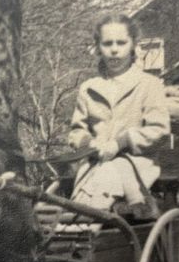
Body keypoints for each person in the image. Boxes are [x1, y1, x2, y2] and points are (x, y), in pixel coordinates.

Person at [67, 14, 170, 215]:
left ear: (133, 45)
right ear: (98, 47)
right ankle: (74, 231)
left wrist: (120, 142)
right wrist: (89, 142)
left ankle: (82, 228)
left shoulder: (149, 84)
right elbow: (76, 132)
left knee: (105, 179)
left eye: (121, 43)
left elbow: (159, 130)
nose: (114, 49)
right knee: (87, 188)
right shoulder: (88, 88)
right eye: (107, 43)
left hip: (136, 164)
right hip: (95, 165)